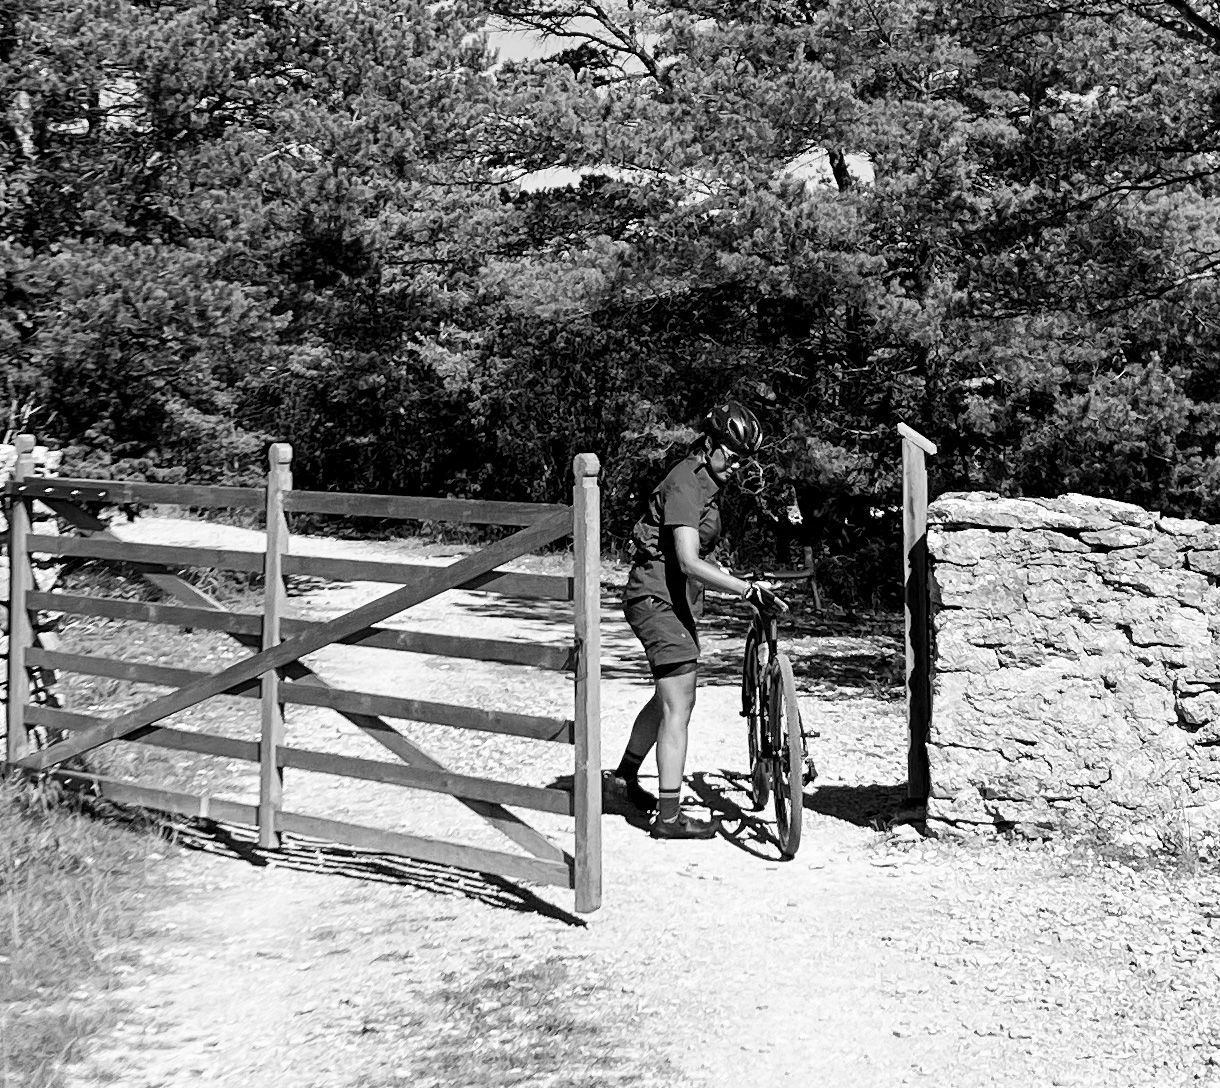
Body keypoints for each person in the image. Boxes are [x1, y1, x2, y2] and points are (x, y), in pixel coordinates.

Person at [604, 400, 784, 839]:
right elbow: (686, 560)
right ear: (712, 445)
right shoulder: (685, 482)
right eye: (734, 456)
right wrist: (743, 589)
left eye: (746, 460)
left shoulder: (707, 483)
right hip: (655, 599)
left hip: (672, 602)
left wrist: (738, 579)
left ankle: (622, 780)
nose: (740, 467)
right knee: (679, 705)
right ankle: (668, 819)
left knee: (668, 698)